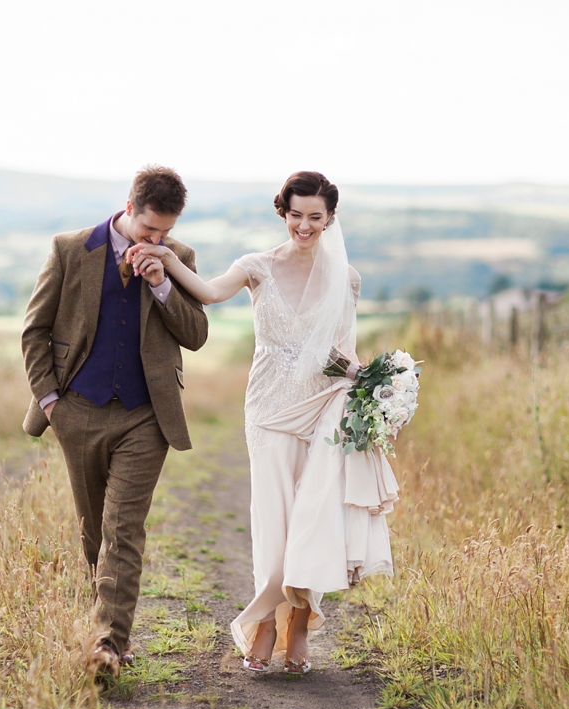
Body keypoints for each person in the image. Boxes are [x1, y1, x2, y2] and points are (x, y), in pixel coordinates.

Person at [128, 171, 396, 675]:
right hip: (269, 411)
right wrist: (164, 259)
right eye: (296, 214)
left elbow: (339, 355)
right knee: (273, 522)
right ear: (284, 212)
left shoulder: (347, 277)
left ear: (330, 218)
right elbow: (206, 293)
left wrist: (373, 380)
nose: (305, 225)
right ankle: (265, 622)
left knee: (311, 521)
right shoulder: (256, 267)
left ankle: (298, 622)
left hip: (322, 409)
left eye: (315, 217)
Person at [21, 165, 209, 677]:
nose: (157, 241)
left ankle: (106, 644)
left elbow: (196, 335)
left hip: (146, 416)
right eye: (150, 231)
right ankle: (97, 626)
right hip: (76, 410)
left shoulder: (178, 259)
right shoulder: (70, 249)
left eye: (166, 233)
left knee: (122, 530)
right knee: (92, 533)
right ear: (129, 209)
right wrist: (52, 402)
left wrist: (163, 284)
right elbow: (34, 332)